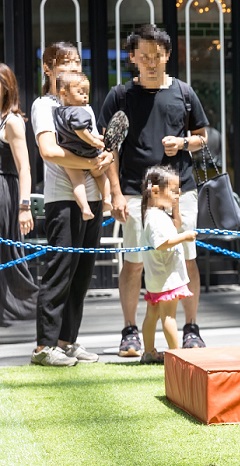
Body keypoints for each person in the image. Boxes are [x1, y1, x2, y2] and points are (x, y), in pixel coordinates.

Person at [99, 24, 209, 357]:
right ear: (132, 57)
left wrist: (184, 142)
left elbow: (203, 135)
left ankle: (191, 329)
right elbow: (110, 149)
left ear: (167, 56)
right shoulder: (120, 96)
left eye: (157, 56)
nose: (150, 62)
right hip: (135, 192)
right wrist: (115, 193)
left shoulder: (183, 93)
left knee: (187, 258)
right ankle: (130, 331)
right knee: (133, 262)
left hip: (180, 191)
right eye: (144, 56)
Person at [30, 42, 113, 366]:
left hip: (92, 197)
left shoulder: (85, 104)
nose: (73, 68)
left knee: (81, 274)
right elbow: (49, 151)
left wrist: (104, 159)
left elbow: (98, 144)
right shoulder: (44, 105)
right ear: (48, 69)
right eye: (65, 63)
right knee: (59, 271)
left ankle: (67, 341)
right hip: (63, 198)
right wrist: (89, 163)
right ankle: (43, 346)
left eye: (77, 62)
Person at [139, 166, 197, 363]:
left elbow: (175, 225)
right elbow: (162, 244)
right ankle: (177, 354)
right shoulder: (155, 218)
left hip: (158, 278)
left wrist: (175, 207)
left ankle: (148, 351)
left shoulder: (155, 214)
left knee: (152, 315)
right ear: (155, 191)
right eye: (173, 190)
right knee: (169, 317)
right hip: (166, 277)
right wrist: (185, 237)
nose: (177, 194)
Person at [0, 62, 39, 326]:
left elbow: (25, 167)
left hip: (4, 189)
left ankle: (38, 305)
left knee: (8, 254)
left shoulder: (12, 121)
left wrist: (25, 206)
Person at [53, 71, 111, 221]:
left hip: (70, 156)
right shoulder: (79, 111)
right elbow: (81, 131)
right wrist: (94, 141)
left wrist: (95, 137)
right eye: (80, 92)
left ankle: (84, 208)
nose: (85, 96)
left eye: (86, 92)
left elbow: (72, 133)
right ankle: (107, 199)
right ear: (64, 93)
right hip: (87, 152)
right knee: (100, 175)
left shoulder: (59, 112)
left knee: (78, 182)